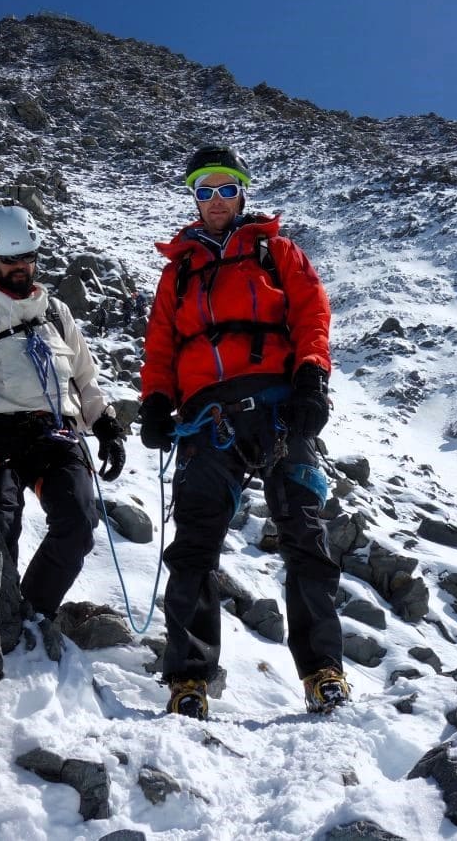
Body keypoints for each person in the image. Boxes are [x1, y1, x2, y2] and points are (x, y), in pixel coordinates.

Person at [138, 145, 348, 719]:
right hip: (207, 419)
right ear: (194, 199)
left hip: (279, 405)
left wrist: (311, 377)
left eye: (224, 188)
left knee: (304, 534)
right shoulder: (177, 271)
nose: (214, 201)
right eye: (203, 191)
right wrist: (155, 400)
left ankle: (323, 670)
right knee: (194, 546)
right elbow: (161, 345)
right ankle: (188, 679)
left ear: (241, 191)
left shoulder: (276, 251)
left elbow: (312, 314)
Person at [0, 205, 126, 620]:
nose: (20, 267)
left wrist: (107, 427)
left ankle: (30, 611)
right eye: (10, 259)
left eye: (26, 257)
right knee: (0, 521)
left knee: (79, 521)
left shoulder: (56, 314)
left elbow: (84, 378)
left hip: (56, 433)